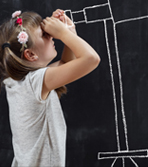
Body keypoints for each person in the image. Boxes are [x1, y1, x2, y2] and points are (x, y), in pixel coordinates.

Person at [0, 9, 100, 167]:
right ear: (31, 55)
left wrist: (69, 32)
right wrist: (64, 35)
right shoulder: (36, 81)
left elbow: (67, 65)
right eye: (44, 35)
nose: (51, 35)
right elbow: (91, 59)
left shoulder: (19, 81)